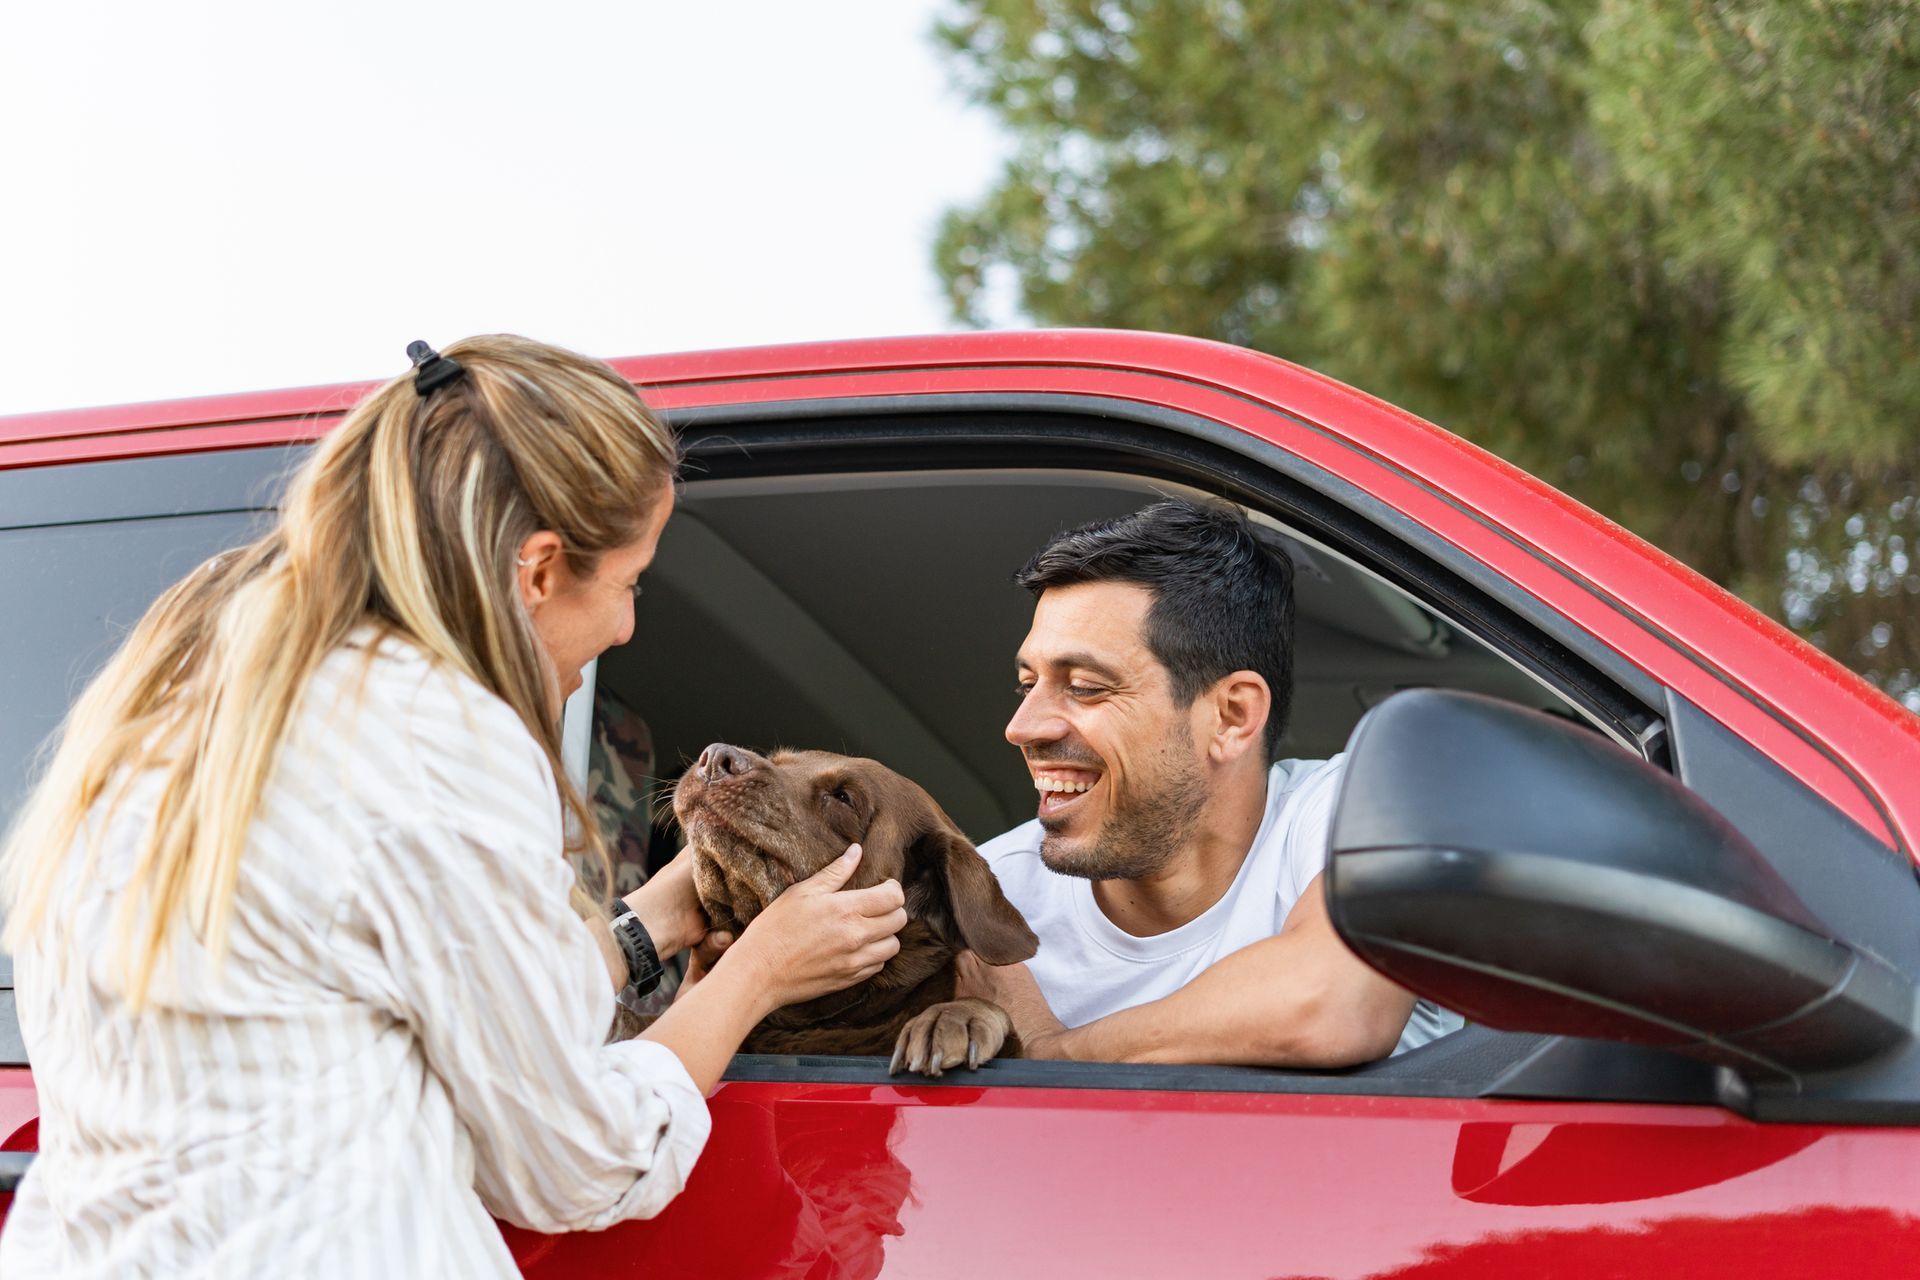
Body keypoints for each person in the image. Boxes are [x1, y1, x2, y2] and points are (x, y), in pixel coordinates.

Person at [0, 336, 908, 1278]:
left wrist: (662, 919)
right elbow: (575, 1161)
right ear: (541, 570)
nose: (628, 625)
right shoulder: (435, 733)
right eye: (632, 581)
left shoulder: (184, 695)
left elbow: (437, 990)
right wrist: (756, 974)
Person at [960, 499, 1459, 1067]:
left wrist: (1051, 1056)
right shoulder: (989, 899)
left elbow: (1331, 1002)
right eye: (1029, 686)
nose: (1022, 728)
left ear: (1231, 717)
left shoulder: (1358, 806)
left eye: (1087, 686)